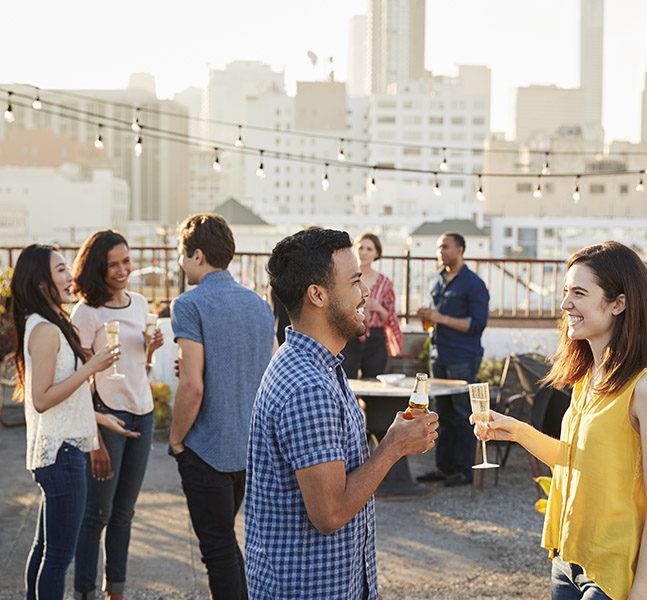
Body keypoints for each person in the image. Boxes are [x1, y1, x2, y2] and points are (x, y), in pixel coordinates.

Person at [474, 242, 647, 600]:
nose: (566, 303)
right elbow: (575, 459)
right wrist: (517, 431)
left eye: (579, 293)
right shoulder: (589, 376)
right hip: (568, 562)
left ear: (619, 303)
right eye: (566, 291)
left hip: (614, 575)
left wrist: (642, 590)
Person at [244, 228, 438, 599]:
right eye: (354, 282)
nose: (365, 292)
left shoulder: (317, 365)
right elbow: (330, 514)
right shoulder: (309, 387)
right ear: (317, 295)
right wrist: (392, 446)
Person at [11, 245, 134, 600]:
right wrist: (91, 368)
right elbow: (42, 398)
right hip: (61, 455)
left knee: (44, 548)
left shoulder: (46, 323)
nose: (70, 277)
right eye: (61, 270)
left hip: (57, 450)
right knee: (57, 557)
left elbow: (55, 397)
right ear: (40, 282)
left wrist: (98, 417)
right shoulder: (46, 330)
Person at [168, 214, 275, 600]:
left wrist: (176, 439)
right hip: (250, 449)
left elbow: (192, 386)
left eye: (182, 254)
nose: (181, 263)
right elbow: (260, 371)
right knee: (225, 543)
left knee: (217, 550)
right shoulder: (260, 306)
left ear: (197, 256)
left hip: (207, 449)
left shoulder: (188, 304)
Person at [69, 230, 163, 600]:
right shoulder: (86, 312)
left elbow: (140, 363)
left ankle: (116, 592)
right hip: (106, 415)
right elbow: (76, 376)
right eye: (113, 264)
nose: (123, 269)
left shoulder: (139, 303)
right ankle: (85, 592)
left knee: (125, 513)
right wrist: (94, 437)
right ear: (98, 267)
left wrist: (150, 348)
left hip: (143, 412)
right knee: (97, 514)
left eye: (126, 261)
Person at [415, 232, 489, 487]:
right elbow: (433, 315)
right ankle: (444, 468)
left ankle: (464, 471)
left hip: (462, 356)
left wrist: (440, 318)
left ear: (460, 249)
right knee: (441, 414)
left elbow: (477, 324)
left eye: (445, 247)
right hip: (438, 354)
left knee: (461, 414)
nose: (441, 251)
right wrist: (427, 314)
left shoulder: (473, 283)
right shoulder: (436, 280)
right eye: (438, 247)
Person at [341, 232, 403, 379]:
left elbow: (390, 317)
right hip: (350, 335)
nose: (364, 253)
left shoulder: (384, 282)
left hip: (375, 338)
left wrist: (377, 307)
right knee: (347, 380)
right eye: (361, 248)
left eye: (369, 249)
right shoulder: (345, 278)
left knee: (374, 380)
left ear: (377, 253)